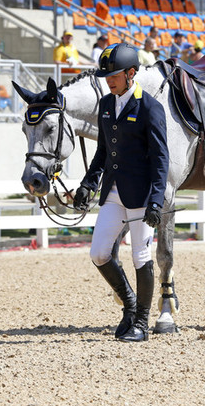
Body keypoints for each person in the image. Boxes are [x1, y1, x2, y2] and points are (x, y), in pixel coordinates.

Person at [72, 43, 169, 342]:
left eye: (113, 76)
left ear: (130, 74)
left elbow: (160, 158)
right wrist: (88, 182)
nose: (108, 80)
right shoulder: (105, 104)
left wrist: (156, 199)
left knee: (141, 255)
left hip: (140, 195)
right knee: (99, 253)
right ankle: (129, 306)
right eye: (106, 76)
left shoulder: (150, 107)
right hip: (113, 191)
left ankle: (141, 322)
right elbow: (103, 150)